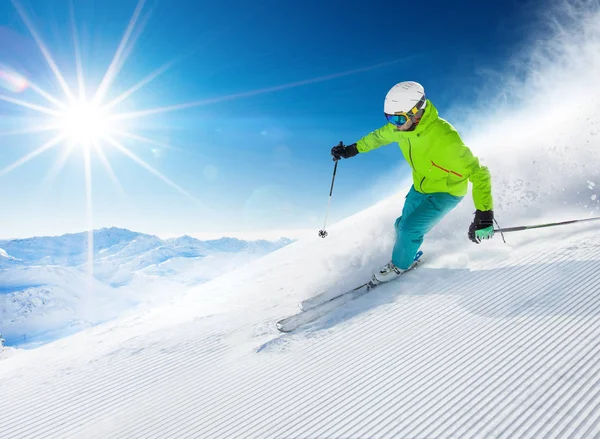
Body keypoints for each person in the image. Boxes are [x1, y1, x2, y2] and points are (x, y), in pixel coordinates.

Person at [331, 81, 494, 284]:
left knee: (409, 229)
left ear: (417, 112)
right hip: (420, 186)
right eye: (389, 118)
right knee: (400, 225)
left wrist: (484, 213)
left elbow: (479, 172)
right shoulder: (400, 128)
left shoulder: (444, 137)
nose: (395, 124)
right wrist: (351, 150)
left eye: (399, 118)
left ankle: (400, 265)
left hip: (447, 192)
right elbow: (378, 137)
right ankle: (408, 253)